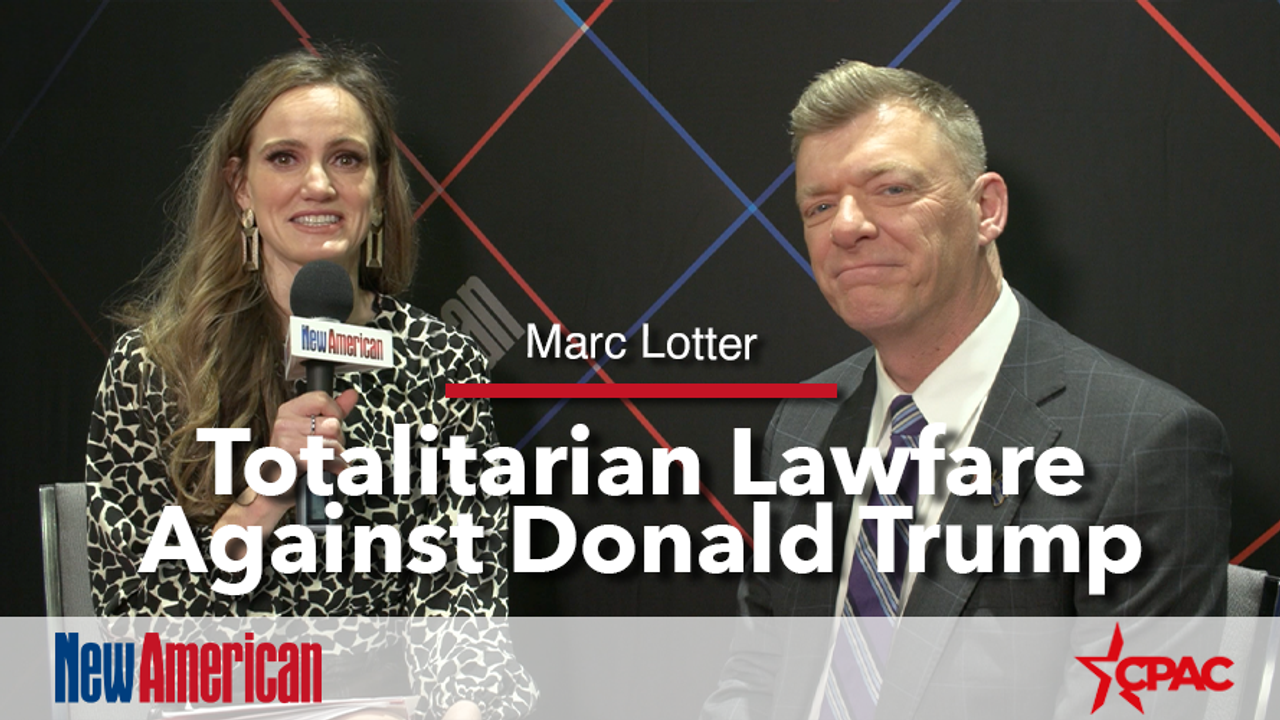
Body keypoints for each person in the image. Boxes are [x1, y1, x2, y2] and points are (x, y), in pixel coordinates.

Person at [702, 60, 1231, 720]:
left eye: (891, 189)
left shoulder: (1144, 444)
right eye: (819, 205)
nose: (846, 226)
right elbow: (758, 671)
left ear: (986, 209)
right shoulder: (803, 421)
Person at [85, 49, 535, 720]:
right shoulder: (156, 366)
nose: (318, 184)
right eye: (285, 158)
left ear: (379, 190)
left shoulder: (442, 365)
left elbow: (460, 599)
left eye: (346, 159)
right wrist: (265, 497)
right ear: (240, 185)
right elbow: (135, 640)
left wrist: (464, 710)